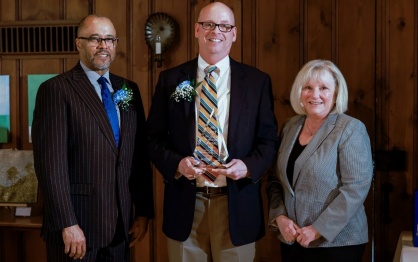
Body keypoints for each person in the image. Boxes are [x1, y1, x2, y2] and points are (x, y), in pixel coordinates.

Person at [147, 2, 279, 261]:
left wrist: (248, 167)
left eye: (224, 25)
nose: (215, 31)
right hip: (186, 202)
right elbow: (153, 138)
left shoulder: (256, 82)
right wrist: (177, 164)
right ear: (197, 29)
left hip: (236, 204)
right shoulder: (171, 80)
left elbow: (268, 140)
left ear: (234, 33)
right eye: (208, 24)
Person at [32, 14, 154, 261]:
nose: (103, 46)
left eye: (109, 39)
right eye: (95, 39)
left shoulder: (127, 90)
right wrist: (67, 222)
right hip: (77, 229)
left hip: (121, 229)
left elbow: (137, 154)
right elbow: (50, 165)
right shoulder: (56, 90)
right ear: (79, 43)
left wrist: (142, 212)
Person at [266, 59, 373, 261]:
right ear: (300, 93)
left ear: (336, 94)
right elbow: (274, 180)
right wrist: (279, 218)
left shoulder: (350, 129)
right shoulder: (290, 127)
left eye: (323, 88)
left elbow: (356, 188)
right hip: (293, 240)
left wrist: (317, 229)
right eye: (308, 88)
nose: (315, 95)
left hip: (338, 244)